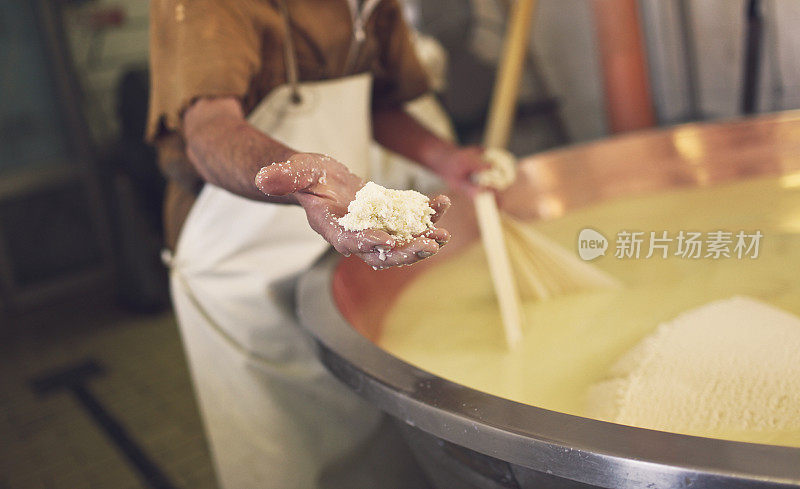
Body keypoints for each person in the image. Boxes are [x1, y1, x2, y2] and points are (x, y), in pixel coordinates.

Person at [146, 0, 493, 487]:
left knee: (371, 446)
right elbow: (207, 132)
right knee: (286, 458)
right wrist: (305, 181)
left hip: (334, 248)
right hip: (244, 268)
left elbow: (377, 101)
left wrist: (446, 158)